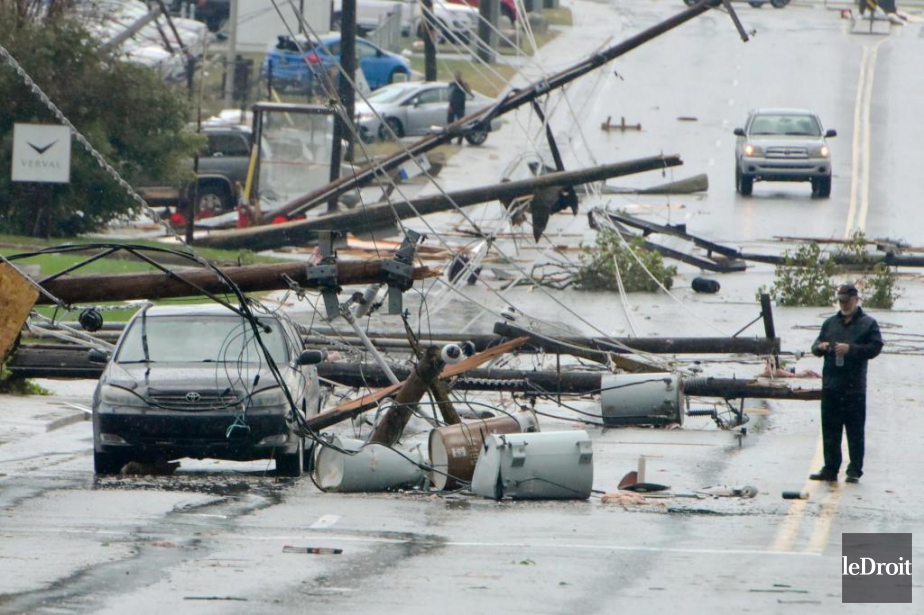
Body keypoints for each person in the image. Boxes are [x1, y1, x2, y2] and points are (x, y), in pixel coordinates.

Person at [809, 283, 883, 483]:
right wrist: (821, 347)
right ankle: (830, 468)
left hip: (854, 387)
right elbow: (814, 346)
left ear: (856, 300)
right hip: (831, 385)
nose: (843, 304)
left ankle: (854, 470)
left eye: (846, 301)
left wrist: (851, 349)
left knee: (855, 430)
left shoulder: (868, 324)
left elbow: (875, 347)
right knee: (830, 429)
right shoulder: (830, 323)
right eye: (840, 301)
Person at [447, 71, 473, 145]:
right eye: (457, 76)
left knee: (460, 124)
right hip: (452, 105)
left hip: (461, 106)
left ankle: (460, 140)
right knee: (450, 123)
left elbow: (469, 92)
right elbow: (449, 95)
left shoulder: (463, 85)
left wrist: (465, 84)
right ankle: (448, 139)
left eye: (460, 76)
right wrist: (449, 105)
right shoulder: (452, 84)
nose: (458, 77)